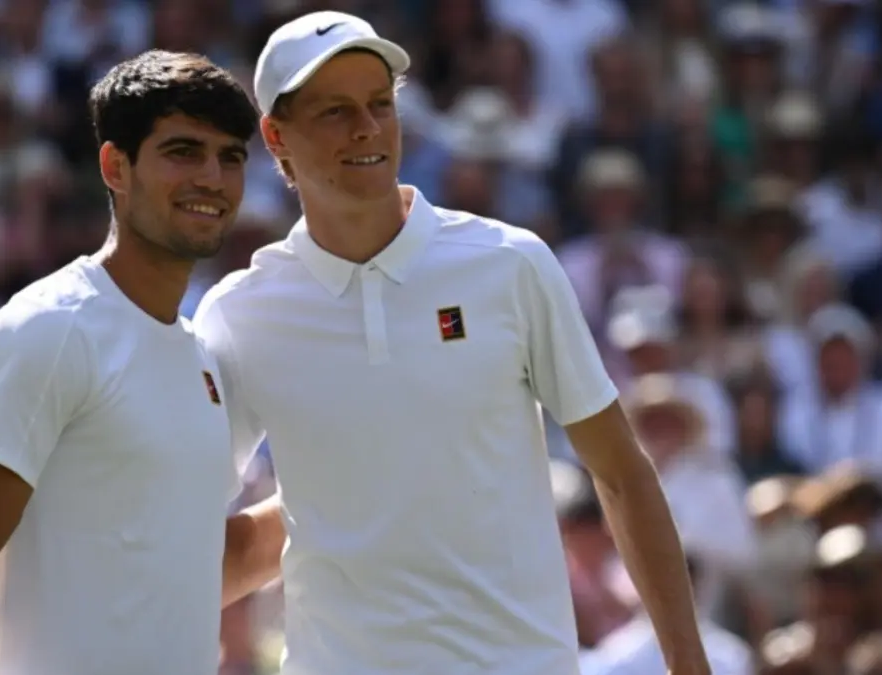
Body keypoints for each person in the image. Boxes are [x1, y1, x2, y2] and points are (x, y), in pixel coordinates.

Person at [196, 11, 711, 675]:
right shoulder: (239, 314)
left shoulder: (510, 263)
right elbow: (198, 534)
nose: (366, 128)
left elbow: (622, 475)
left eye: (380, 105)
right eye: (334, 111)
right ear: (276, 136)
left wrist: (688, 665)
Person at [0, 50, 266, 675]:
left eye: (231, 156)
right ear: (115, 166)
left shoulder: (201, 360)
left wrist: (341, 494)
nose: (213, 176)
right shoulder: (51, 328)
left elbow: (190, 574)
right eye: (183, 151)